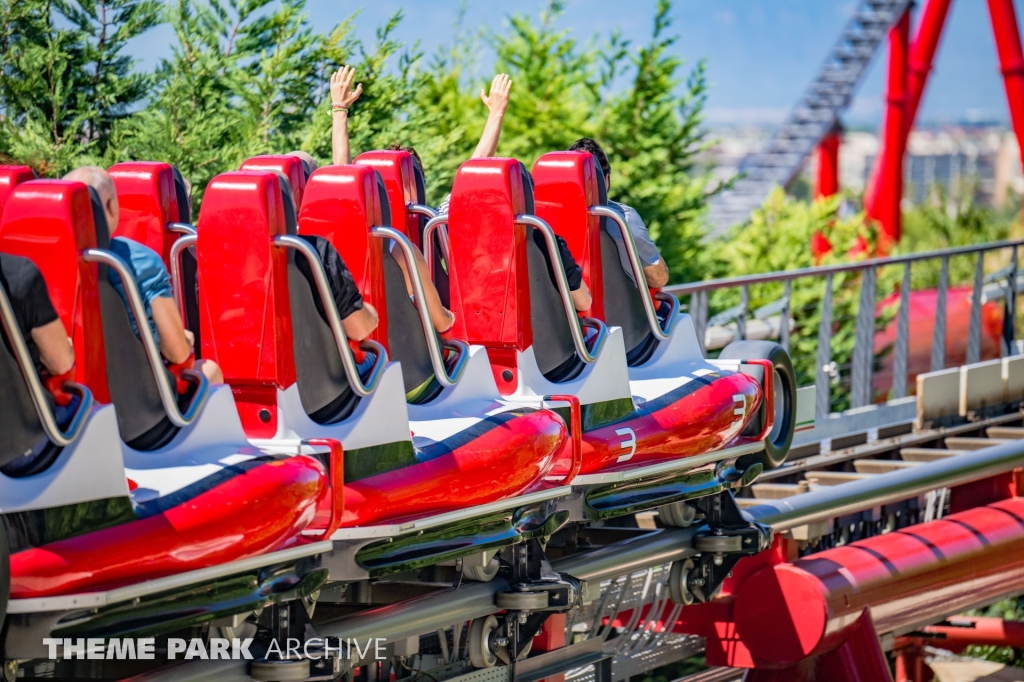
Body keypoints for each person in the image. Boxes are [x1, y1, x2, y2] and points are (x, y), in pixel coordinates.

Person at [64, 166, 224, 387]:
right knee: (210, 370)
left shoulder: (37, 263)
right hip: (141, 405)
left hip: (75, 396)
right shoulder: (141, 261)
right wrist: (184, 340)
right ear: (112, 207)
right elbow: (177, 354)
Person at [566, 138, 669, 289]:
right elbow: (658, 279)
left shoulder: (535, 222)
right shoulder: (623, 218)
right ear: (606, 179)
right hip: (616, 311)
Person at [0, 253, 78, 419]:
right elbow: (61, 363)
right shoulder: (20, 274)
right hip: (28, 430)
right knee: (88, 407)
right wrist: (67, 347)